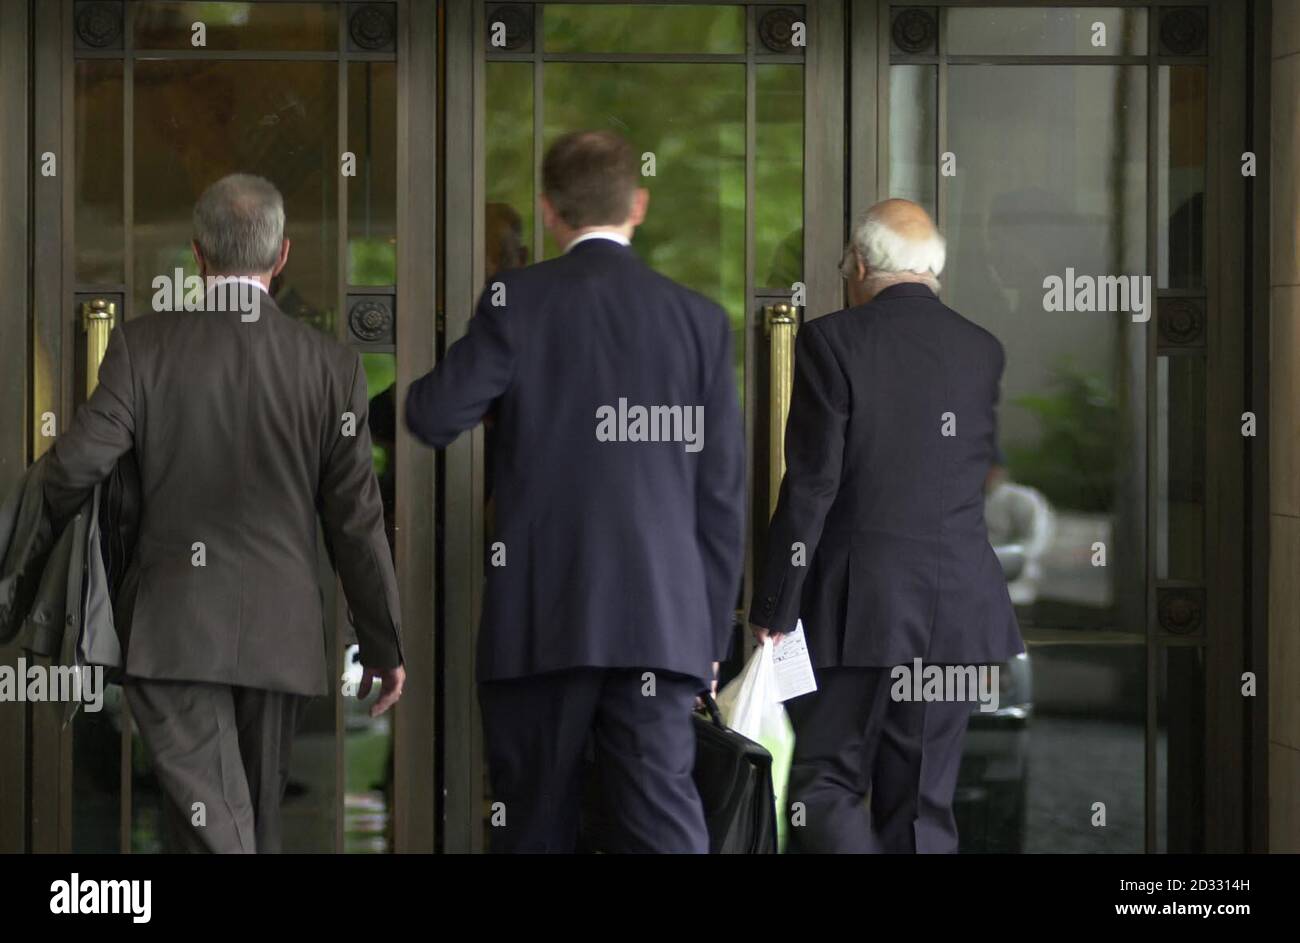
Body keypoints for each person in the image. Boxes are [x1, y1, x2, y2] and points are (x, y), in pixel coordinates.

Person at [406, 129, 745, 853]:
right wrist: (709, 637)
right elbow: (721, 498)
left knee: (533, 826)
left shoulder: (516, 301)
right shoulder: (700, 322)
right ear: (640, 204)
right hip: (661, 624)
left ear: (549, 210)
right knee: (663, 828)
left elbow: (433, 415)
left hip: (541, 621)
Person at [44, 174, 405, 853]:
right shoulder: (331, 367)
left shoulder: (141, 347)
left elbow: (73, 465)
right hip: (280, 632)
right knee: (237, 826)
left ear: (197, 255)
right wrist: (384, 643)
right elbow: (356, 517)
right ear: (283, 255)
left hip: (173, 627)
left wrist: (35, 551)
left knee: (216, 828)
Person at [749, 198, 1023, 853]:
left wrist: (774, 606)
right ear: (934, 271)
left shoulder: (831, 340)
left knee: (827, 782)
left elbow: (812, 485)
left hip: (857, 610)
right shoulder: (982, 350)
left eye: (847, 266)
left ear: (862, 265)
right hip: (955, 612)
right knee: (925, 802)